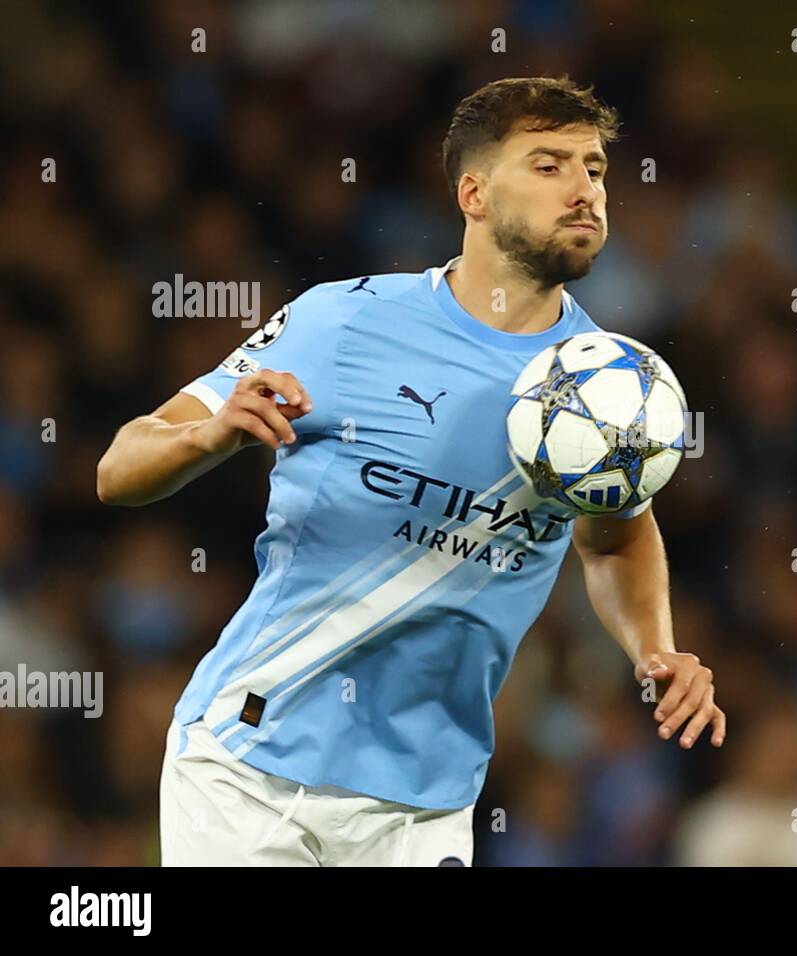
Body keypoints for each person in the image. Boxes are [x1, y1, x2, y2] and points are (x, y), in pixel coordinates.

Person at [96, 76, 725, 866]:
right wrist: (209, 436)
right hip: (250, 770)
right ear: (473, 193)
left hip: (424, 810)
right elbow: (120, 467)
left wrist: (654, 649)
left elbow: (614, 539)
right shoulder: (346, 320)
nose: (584, 190)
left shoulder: (612, 384)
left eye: (595, 169)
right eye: (549, 164)